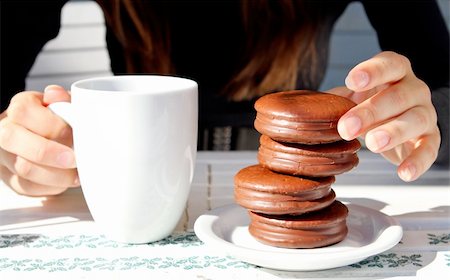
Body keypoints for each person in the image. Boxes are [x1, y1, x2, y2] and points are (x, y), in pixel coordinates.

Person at [0, 0, 449, 196]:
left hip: (297, 172)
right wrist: (16, 137)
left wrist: (422, 119)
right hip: (134, 172)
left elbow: (439, 83)